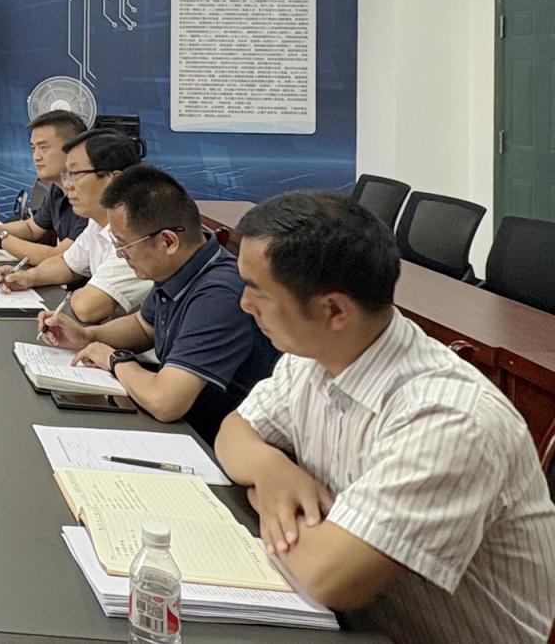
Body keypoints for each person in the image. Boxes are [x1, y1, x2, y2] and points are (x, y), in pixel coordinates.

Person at [215, 192, 555, 642]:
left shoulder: (448, 419)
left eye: (258, 291)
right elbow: (235, 431)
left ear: (334, 310)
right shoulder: (316, 356)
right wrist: (271, 469)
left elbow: (329, 579)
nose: (244, 304)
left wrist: (265, 500)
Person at [37, 164, 278, 441]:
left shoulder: (220, 293)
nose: (120, 254)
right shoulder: (180, 266)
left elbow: (166, 402)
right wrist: (87, 336)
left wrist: (114, 359)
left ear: (168, 241)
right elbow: (143, 327)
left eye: (123, 245)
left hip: (210, 441)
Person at [0, 128, 151, 323]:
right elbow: (67, 264)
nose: (67, 185)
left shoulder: (140, 233)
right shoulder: (98, 222)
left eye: (76, 174)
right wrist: (29, 277)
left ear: (114, 179)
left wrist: (76, 294)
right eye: (67, 175)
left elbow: (88, 308)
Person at [0, 111, 88, 263]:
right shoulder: (57, 188)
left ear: (74, 149)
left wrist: (0, 240)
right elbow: (31, 228)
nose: (36, 157)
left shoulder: (91, 198)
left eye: (44, 148)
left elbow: (60, 258)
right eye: (33, 148)